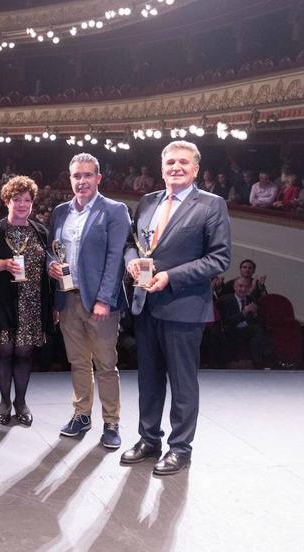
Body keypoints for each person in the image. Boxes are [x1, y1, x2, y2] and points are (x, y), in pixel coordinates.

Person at [122, 140, 231, 476]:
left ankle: (180, 448)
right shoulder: (147, 201)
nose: (176, 168)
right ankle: (148, 439)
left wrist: (170, 276)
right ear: (161, 167)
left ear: (196, 169)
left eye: (184, 163)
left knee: (182, 383)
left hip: (183, 306)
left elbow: (219, 259)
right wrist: (130, 263)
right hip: (145, 303)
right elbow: (130, 244)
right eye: (170, 163)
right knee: (149, 379)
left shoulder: (212, 205)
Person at [48, 153, 131, 448]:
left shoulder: (115, 210)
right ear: (70, 179)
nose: (81, 181)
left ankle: (111, 421)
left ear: (98, 178)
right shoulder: (59, 211)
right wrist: (50, 266)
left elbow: (116, 258)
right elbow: (52, 250)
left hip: (100, 303)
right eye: (76, 176)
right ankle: (82, 415)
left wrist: (104, 300)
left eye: (87, 175)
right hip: (68, 299)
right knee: (78, 362)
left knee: (106, 364)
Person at [0, 176, 52, 427]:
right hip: (3, 302)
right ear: (7, 201)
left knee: (24, 353)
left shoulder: (40, 231)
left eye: (27, 200)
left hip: (33, 303)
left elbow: (47, 264)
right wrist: (2, 264)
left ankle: (21, 402)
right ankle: (5, 401)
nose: (22, 204)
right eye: (17, 199)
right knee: (5, 351)